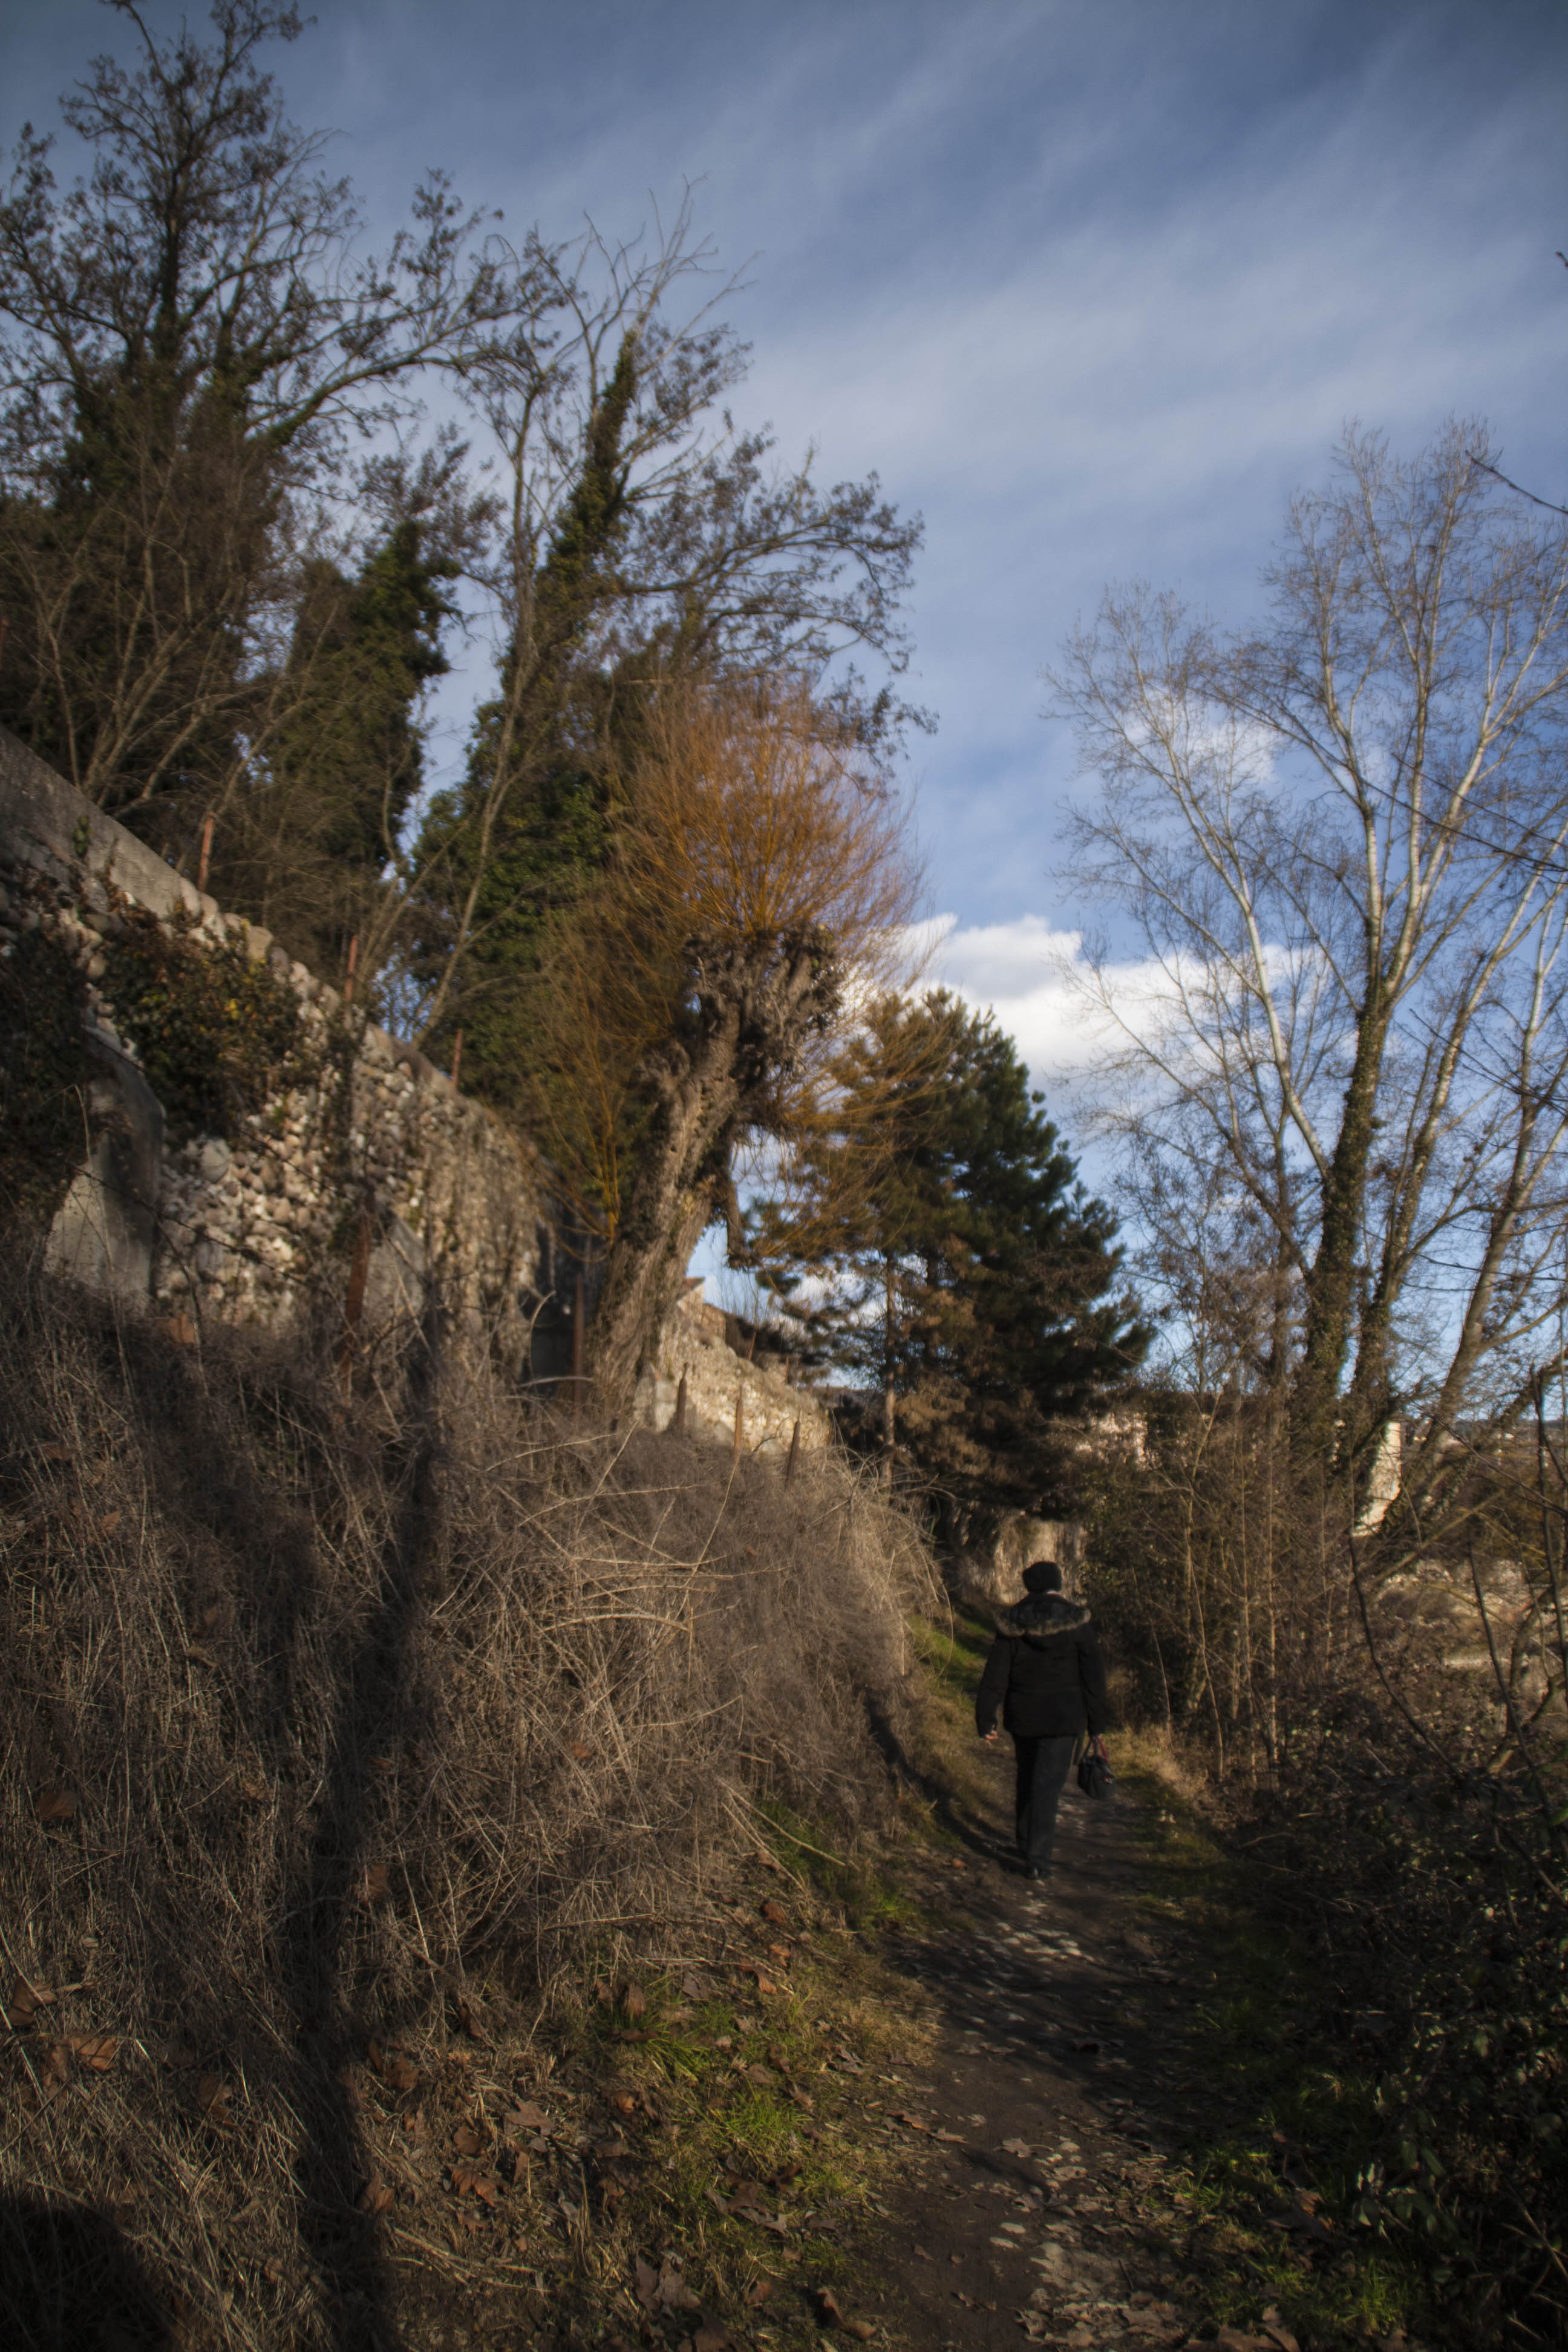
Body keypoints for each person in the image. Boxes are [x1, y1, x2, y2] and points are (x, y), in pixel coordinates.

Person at [975, 1560, 1109, 1881]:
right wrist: (1097, 1725)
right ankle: (1037, 1859)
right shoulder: (1077, 1621)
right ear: (1058, 1584)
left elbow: (995, 1673)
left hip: (1025, 1714)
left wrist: (986, 1718)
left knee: (1027, 1776)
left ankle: (1025, 1842)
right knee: (1048, 1785)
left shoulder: (1013, 1622)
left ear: (1028, 1586)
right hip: (1065, 1718)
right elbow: (1094, 1677)